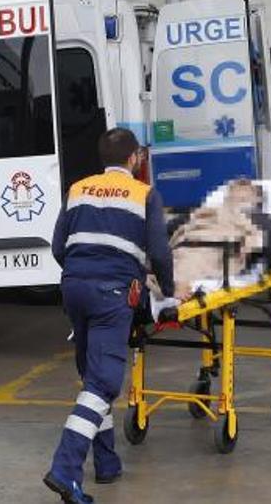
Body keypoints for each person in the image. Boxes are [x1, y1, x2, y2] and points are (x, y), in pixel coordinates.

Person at [44, 128, 174, 504]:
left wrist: (81, 272)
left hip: (74, 288)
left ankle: (106, 462)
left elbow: (58, 246)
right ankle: (65, 471)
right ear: (134, 158)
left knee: (91, 377)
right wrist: (167, 290)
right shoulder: (144, 194)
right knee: (103, 384)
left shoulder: (78, 189)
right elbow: (161, 254)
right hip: (111, 294)